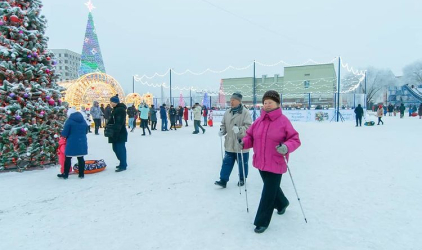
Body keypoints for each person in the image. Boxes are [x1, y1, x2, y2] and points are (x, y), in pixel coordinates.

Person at [242, 90, 301, 234]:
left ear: (277, 104)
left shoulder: (283, 121)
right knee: (272, 188)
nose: (267, 105)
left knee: (268, 193)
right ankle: (282, 203)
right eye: (265, 102)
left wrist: (286, 147)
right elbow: (250, 137)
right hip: (261, 162)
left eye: (270, 102)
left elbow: (295, 139)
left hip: (276, 162)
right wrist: (243, 142)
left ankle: (262, 221)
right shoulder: (259, 121)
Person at [215, 92, 252, 188]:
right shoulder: (228, 112)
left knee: (242, 163)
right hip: (229, 143)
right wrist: (222, 131)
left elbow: (249, 127)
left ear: (239, 101)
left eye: (233, 100)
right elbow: (223, 124)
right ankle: (223, 180)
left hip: (241, 143)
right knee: (227, 162)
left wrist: (240, 130)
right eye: (230, 100)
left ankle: (242, 179)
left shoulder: (245, 113)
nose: (231, 102)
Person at [57, 107, 88, 179]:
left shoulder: (69, 121)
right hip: (81, 142)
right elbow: (86, 131)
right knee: (81, 158)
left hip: (71, 142)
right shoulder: (83, 120)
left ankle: (66, 174)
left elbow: (65, 133)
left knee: (67, 158)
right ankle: (81, 174)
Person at [107, 95, 128, 172]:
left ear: (115, 102)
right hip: (116, 133)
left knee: (120, 149)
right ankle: (122, 162)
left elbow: (119, 123)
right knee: (115, 148)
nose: (110, 103)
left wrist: (115, 132)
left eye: (111, 102)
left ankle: (123, 164)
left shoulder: (120, 110)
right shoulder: (116, 109)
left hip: (119, 133)